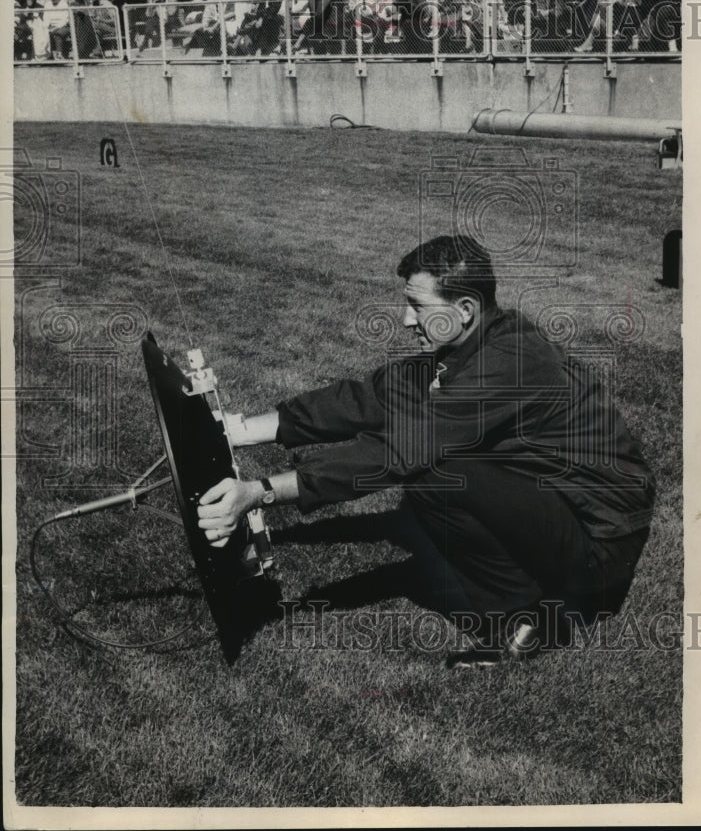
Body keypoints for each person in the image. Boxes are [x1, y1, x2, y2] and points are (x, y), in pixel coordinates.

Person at [197, 236, 655, 668]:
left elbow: (399, 451)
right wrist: (236, 432)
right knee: (436, 462)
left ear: (466, 309)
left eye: (417, 306)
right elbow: (369, 398)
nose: (406, 320)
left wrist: (261, 492)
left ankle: (531, 620)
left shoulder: (512, 362)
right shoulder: (471, 345)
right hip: (560, 513)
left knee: (435, 470)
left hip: (601, 549)